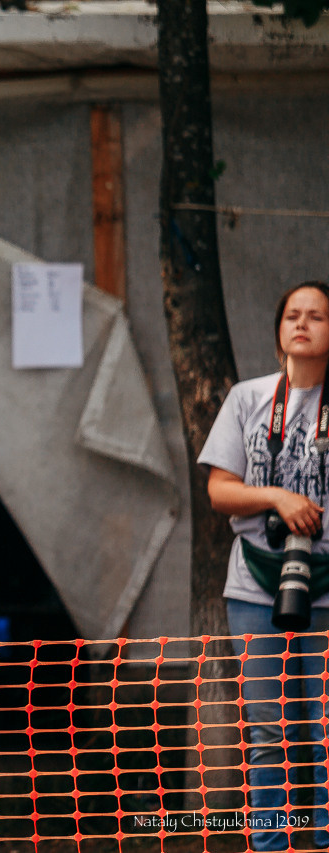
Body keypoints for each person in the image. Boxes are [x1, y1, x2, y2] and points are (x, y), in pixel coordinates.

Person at [199, 280, 329, 852]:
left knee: (322, 731)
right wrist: (279, 499)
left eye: (317, 316)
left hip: (326, 584)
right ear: (279, 330)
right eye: (292, 315)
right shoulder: (248, 398)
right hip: (254, 582)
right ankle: (270, 845)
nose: (302, 324)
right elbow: (220, 490)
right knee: (269, 730)